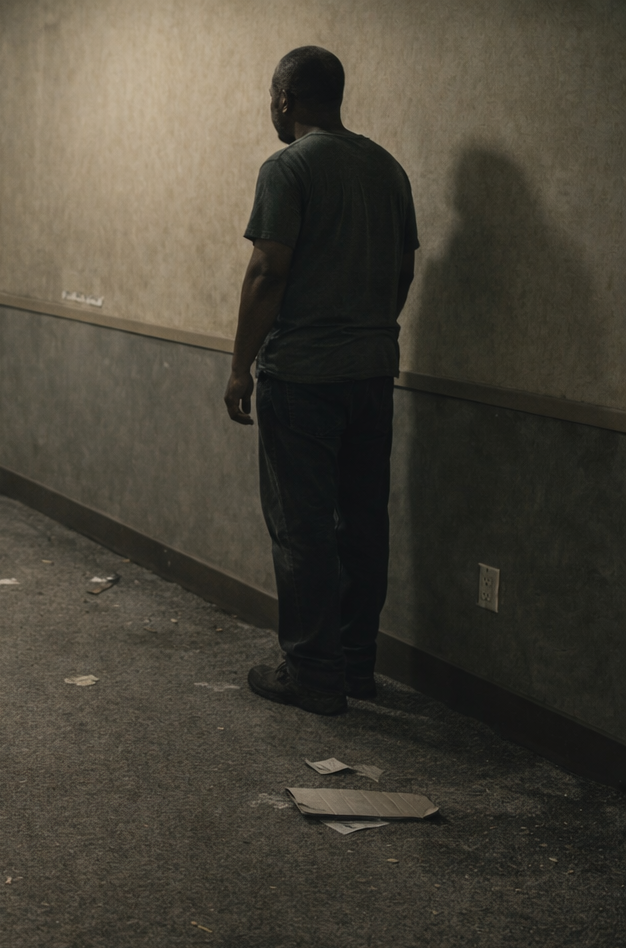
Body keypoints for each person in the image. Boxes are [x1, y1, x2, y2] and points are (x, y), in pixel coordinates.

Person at [224, 46, 418, 716]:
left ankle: (312, 675)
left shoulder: (288, 167)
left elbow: (268, 271)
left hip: (303, 376)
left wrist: (238, 365)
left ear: (286, 98)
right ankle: (356, 667)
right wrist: (368, 330)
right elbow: (403, 272)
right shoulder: (388, 169)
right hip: (372, 373)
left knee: (301, 526)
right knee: (361, 523)